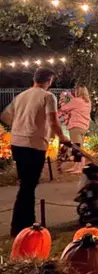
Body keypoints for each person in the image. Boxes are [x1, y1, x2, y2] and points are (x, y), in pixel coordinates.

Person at [1, 68, 70, 236]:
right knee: (28, 185)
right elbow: (53, 120)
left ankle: (26, 223)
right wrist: (62, 138)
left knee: (26, 184)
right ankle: (21, 226)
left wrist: (21, 124)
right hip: (34, 143)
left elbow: (5, 116)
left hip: (17, 142)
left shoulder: (21, 96)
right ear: (49, 81)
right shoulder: (48, 97)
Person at [58, 86, 92, 174]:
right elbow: (76, 104)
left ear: (78, 92)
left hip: (75, 126)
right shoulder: (87, 101)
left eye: (75, 91)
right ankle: (78, 166)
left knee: (76, 148)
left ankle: (79, 168)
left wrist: (62, 98)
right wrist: (70, 96)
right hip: (83, 127)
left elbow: (64, 108)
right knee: (80, 148)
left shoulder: (77, 101)